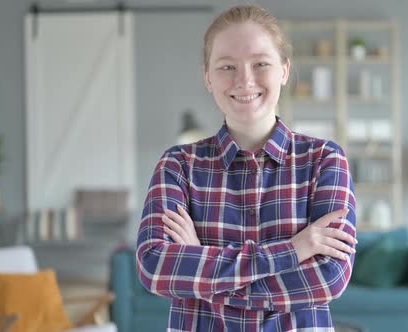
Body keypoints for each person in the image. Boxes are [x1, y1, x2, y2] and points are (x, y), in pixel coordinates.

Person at [136, 5, 357, 331]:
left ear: (284, 70)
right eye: (227, 66)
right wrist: (293, 251)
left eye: (261, 64)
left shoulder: (324, 160)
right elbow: (154, 267)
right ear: (208, 77)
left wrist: (202, 264)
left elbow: (329, 279)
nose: (244, 80)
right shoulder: (178, 165)